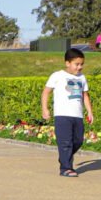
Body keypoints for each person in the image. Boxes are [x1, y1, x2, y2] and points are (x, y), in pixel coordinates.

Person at [41, 48, 94, 178]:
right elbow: (46, 92)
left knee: (78, 141)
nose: (79, 67)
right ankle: (66, 168)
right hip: (62, 115)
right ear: (67, 63)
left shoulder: (82, 78)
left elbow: (85, 95)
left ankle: (64, 157)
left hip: (77, 115)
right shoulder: (57, 76)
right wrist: (45, 108)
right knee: (65, 143)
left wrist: (89, 112)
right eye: (77, 64)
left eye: (82, 64)